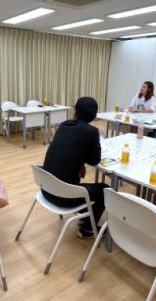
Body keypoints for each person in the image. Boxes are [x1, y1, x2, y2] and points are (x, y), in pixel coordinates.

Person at [42, 97, 107, 239]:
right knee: (104, 189)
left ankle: (86, 216)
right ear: (94, 116)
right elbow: (95, 160)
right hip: (63, 197)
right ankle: (88, 229)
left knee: (87, 187)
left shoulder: (63, 125)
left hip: (46, 189)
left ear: (75, 112)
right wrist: (82, 161)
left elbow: (69, 150)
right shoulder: (91, 131)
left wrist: (80, 162)